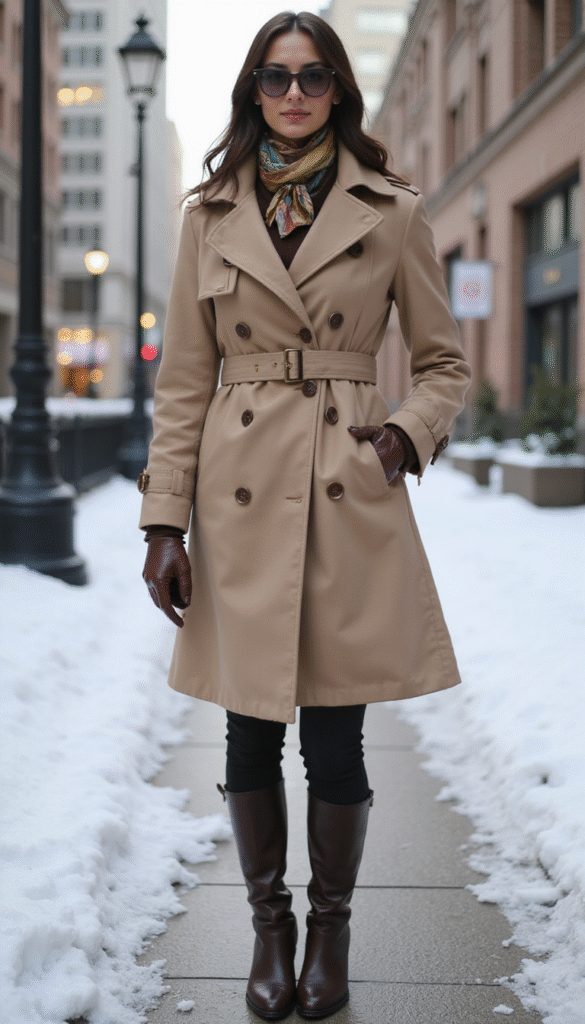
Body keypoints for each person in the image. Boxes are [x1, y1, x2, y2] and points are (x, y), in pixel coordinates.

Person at [139, 11, 471, 1021]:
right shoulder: (209, 214)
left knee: (336, 737)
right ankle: (268, 929)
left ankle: (330, 927)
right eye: (276, 78)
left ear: (339, 91)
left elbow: (445, 363)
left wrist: (401, 436)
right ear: (252, 91)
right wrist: (163, 522)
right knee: (247, 736)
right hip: (239, 495)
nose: (293, 93)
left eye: (314, 76)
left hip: (344, 489)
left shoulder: (394, 209)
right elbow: (185, 384)